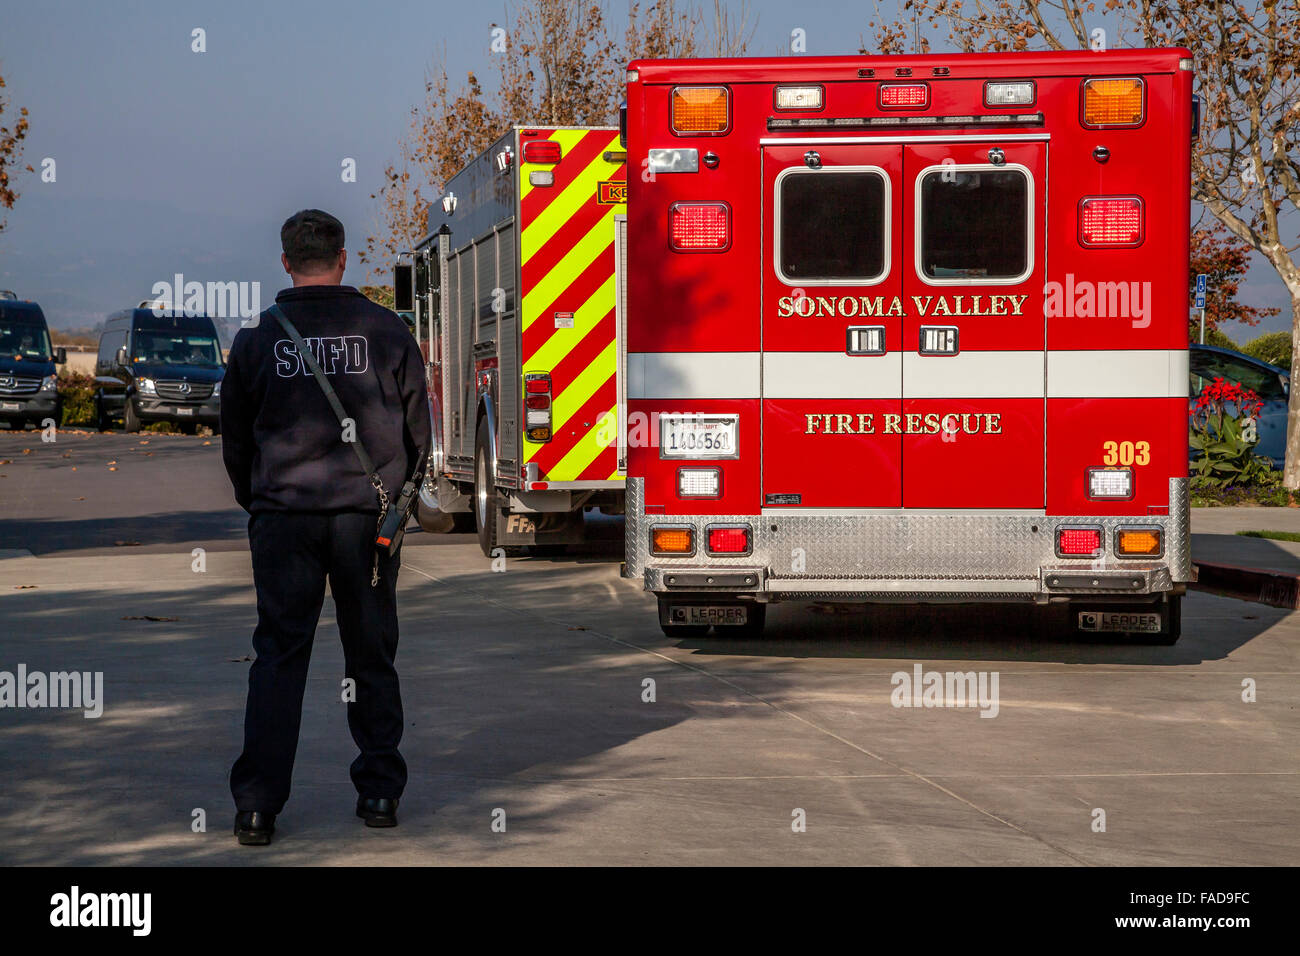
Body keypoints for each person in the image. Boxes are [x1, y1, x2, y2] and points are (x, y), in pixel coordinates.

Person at [220, 209, 431, 846]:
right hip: (366, 522)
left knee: (279, 657)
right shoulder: (388, 331)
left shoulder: (258, 340)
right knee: (371, 654)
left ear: (285, 261)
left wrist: (260, 502)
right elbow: (419, 435)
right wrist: (395, 500)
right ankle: (379, 795)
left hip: (284, 520)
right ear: (344, 258)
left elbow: (235, 440)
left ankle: (257, 807)